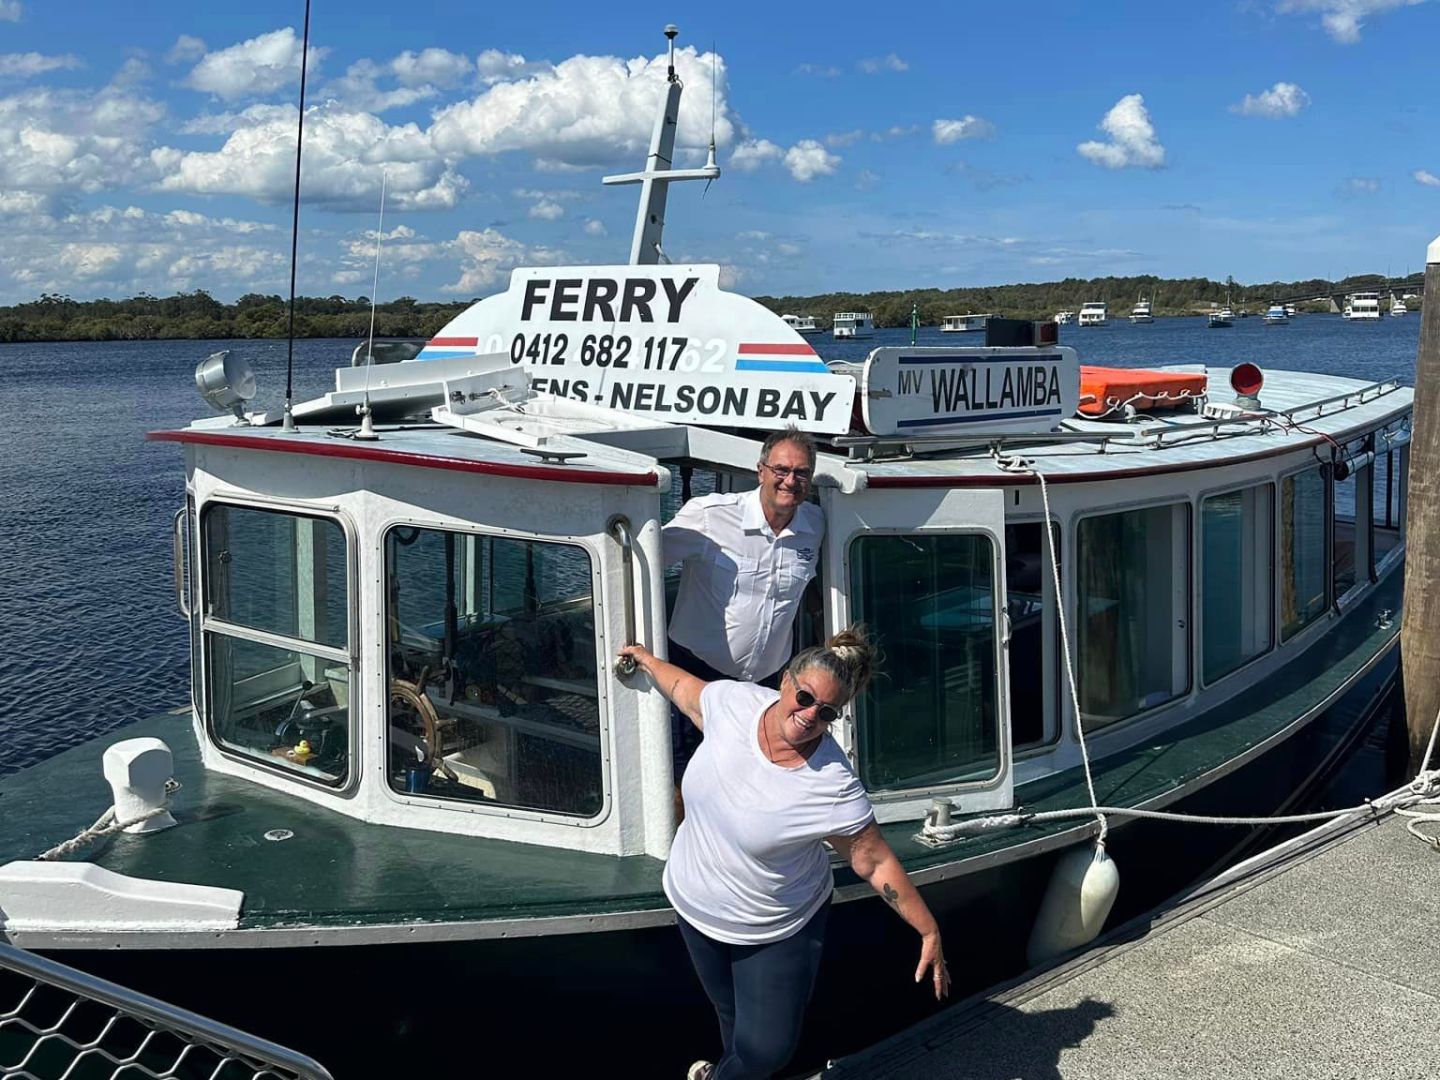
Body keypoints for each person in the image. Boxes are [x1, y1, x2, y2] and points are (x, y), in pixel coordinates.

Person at [618, 627, 949, 1080]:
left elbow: (872, 860)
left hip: (776, 924)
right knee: (730, 1017)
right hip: (696, 907)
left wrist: (928, 929)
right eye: (806, 697)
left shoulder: (832, 784)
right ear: (786, 681)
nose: (810, 714)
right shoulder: (733, 703)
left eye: (826, 711)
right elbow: (684, 691)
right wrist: (647, 660)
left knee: (767, 1050)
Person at [662, 427, 824, 782]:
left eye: (800, 473)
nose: (789, 481)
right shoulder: (709, 515)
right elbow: (641, 562)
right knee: (686, 777)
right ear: (761, 470)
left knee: (751, 773)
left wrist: (823, 621)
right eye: (781, 470)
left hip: (765, 683)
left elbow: (806, 583)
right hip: (697, 673)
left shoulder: (816, 524)